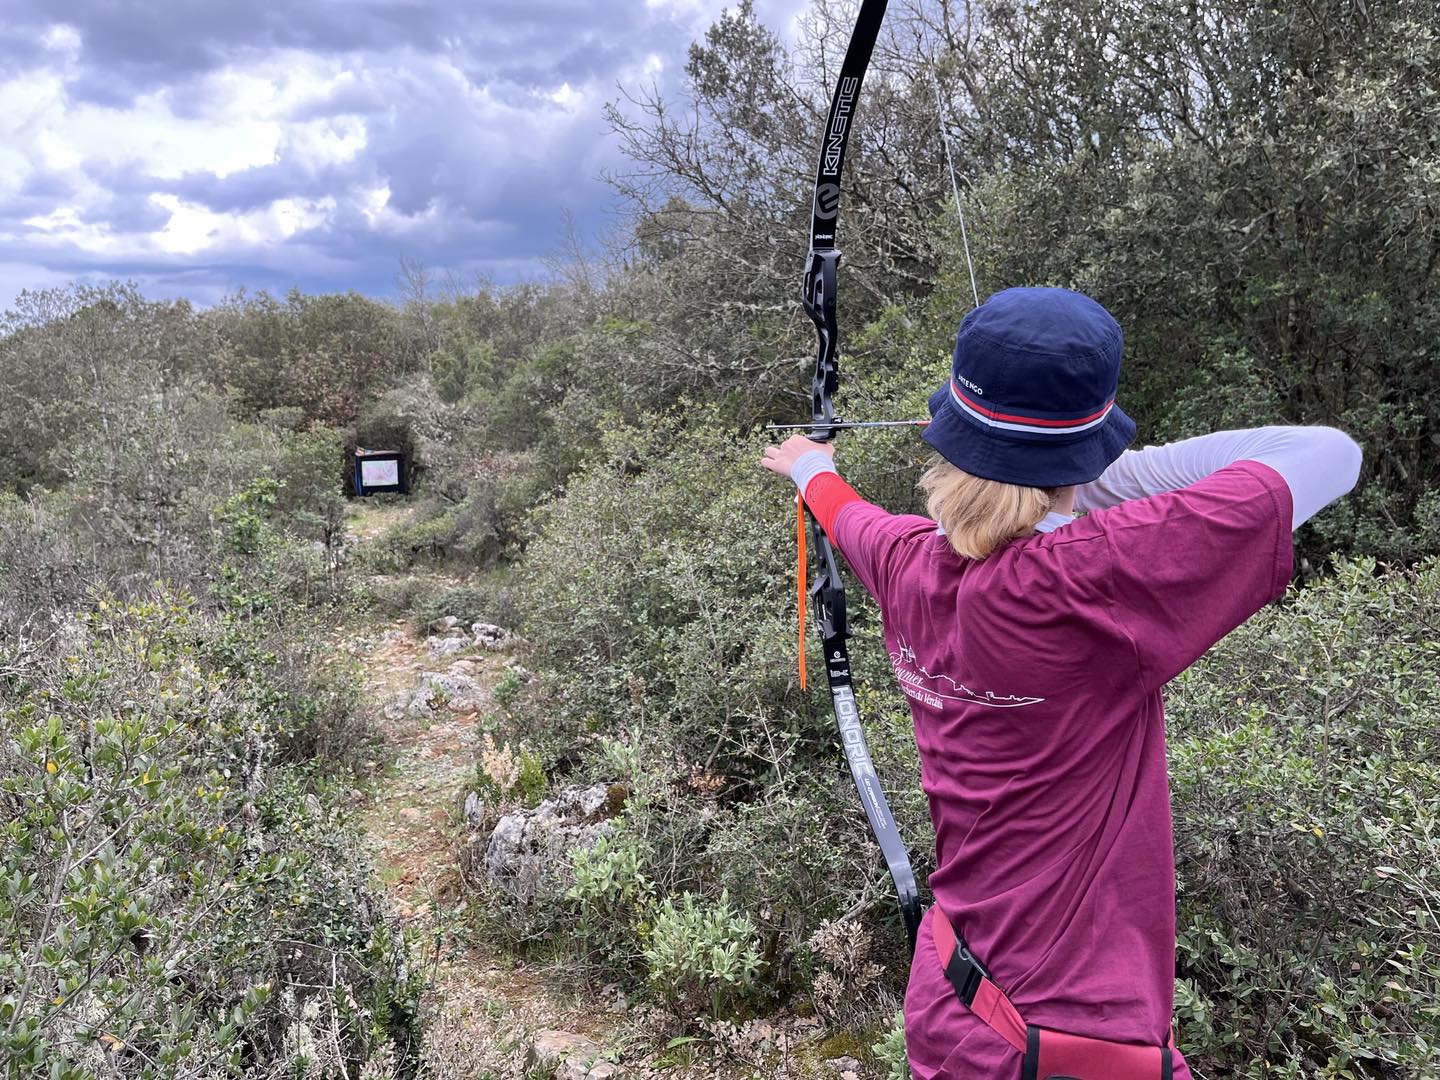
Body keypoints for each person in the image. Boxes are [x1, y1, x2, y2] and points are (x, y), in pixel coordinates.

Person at [760, 287, 1362, 1080]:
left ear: (952, 435)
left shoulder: (906, 559)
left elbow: (847, 514)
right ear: (1087, 451)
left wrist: (811, 466)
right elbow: (1332, 452)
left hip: (951, 1009)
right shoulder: (1093, 576)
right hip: (1073, 1048)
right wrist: (1102, 480)